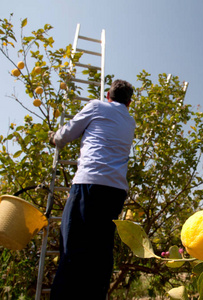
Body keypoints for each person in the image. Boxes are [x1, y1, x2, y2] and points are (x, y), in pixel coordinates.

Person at [48, 79, 136, 299]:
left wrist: (54, 138)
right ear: (129, 103)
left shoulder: (97, 106)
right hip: (115, 192)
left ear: (108, 95)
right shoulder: (130, 121)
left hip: (90, 183)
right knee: (100, 251)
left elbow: (65, 135)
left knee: (72, 247)